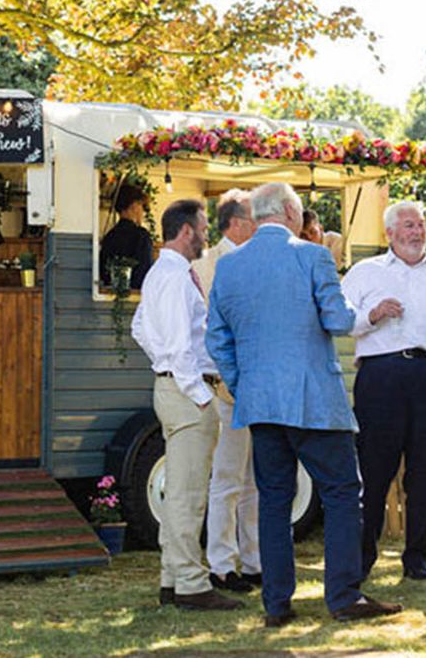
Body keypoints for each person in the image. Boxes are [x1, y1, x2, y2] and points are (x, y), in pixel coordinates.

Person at [206, 181, 402, 627]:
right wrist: (365, 312)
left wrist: (244, 385)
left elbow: (216, 338)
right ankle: (344, 596)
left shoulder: (230, 267)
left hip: (259, 404)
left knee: (273, 502)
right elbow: (336, 319)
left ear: (257, 218)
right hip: (314, 398)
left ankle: (277, 605)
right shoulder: (313, 256)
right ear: (292, 213)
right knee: (341, 493)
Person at [343, 200, 426, 581]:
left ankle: (418, 563)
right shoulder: (365, 272)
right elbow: (340, 320)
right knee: (374, 471)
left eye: (421, 225)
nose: (417, 231)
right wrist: (372, 315)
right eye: (408, 225)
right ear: (389, 234)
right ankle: (361, 561)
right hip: (381, 376)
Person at [131, 198, 240, 611]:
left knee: (180, 489)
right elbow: (179, 346)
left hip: (173, 387)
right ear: (187, 230)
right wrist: (199, 395)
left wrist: (165, 366)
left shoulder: (163, 272)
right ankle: (192, 585)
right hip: (187, 391)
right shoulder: (176, 278)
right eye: (204, 225)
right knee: (189, 494)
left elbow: (140, 327)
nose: (207, 233)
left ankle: (173, 579)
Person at [192, 189, 261, 594]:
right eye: (254, 219)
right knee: (228, 478)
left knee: (255, 479)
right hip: (226, 385)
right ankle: (221, 564)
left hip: (258, 384)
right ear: (237, 223)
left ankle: (253, 561)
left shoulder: (255, 261)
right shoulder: (206, 266)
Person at [100, 183, 153, 291]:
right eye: (141, 206)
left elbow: (103, 271)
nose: (142, 212)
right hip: (136, 296)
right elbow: (145, 272)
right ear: (134, 206)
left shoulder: (109, 237)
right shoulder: (141, 236)